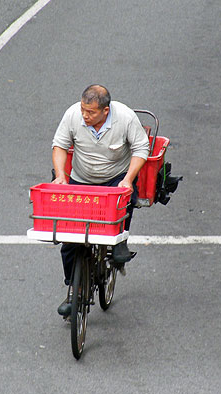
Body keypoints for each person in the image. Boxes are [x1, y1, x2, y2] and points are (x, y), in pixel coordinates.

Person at [51, 84, 150, 317]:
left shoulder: (125, 118)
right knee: (70, 240)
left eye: (91, 112)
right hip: (80, 179)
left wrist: (128, 179)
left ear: (105, 111)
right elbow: (59, 145)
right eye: (84, 109)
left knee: (121, 211)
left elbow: (141, 148)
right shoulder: (73, 114)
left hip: (115, 179)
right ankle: (73, 290)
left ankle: (118, 244)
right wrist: (60, 175)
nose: (85, 115)